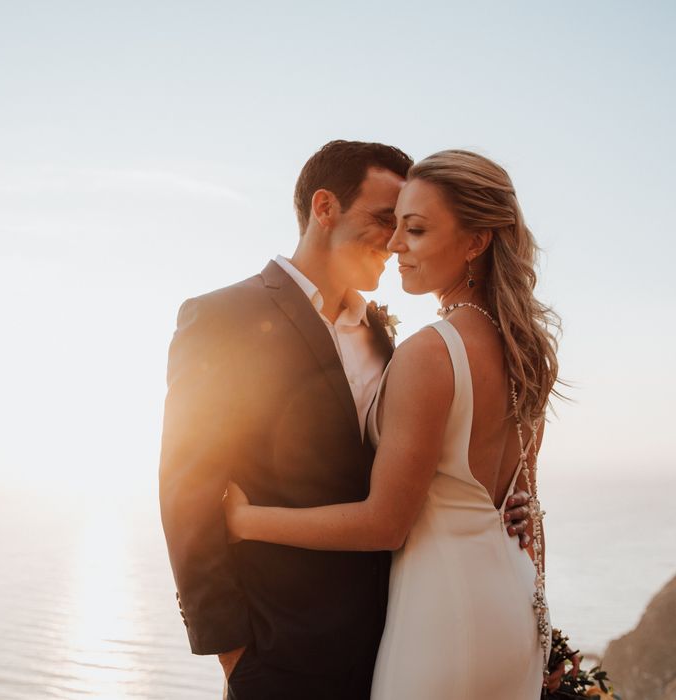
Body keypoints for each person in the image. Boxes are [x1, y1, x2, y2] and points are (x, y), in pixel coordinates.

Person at [159, 141, 531, 700]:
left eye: (409, 224)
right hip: (283, 654)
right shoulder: (222, 317)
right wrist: (235, 657)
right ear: (324, 207)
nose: (394, 240)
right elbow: (186, 494)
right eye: (385, 219)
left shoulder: (390, 338)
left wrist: (500, 504)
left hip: (401, 636)